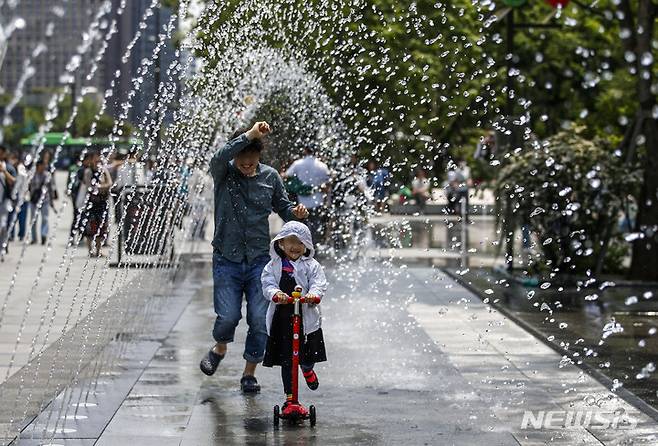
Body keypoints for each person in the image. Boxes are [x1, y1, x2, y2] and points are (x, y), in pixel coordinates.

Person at [199, 121, 309, 394]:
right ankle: (220, 347)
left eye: (252, 158)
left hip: (261, 259)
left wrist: (296, 214)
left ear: (259, 156)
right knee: (227, 316)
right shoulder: (224, 172)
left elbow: (283, 207)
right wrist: (249, 134)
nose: (247, 163)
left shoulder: (270, 177)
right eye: (243, 158)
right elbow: (218, 156)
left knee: (260, 320)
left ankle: (249, 373)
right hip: (226, 257)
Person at [261, 221, 327, 410]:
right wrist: (276, 294)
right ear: (280, 243)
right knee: (287, 360)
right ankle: (290, 399)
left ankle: (307, 370)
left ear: (306, 245)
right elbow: (267, 283)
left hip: (306, 317)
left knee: (307, 356)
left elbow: (318, 283)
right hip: (282, 317)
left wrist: (314, 295)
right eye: (290, 242)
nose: (295, 247)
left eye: (299, 242)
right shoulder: (273, 266)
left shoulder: (311, 265)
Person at [285, 146, 330, 244]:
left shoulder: (298, 164)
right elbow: (327, 184)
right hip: (318, 201)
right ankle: (314, 251)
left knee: (302, 228)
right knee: (316, 228)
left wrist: (297, 185)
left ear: (305, 151)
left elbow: (286, 175)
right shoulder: (322, 166)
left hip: (301, 202)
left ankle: (303, 250)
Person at [79, 151, 112, 256]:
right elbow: (89, 187)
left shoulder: (104, 170)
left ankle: (99, 250)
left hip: (102, 203)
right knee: (90, 228)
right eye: (95, 158)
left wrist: (100, 187)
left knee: (102, 227)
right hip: (92, 203)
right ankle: (90, 251)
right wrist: (102, 186)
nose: (97, 161)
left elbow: (110, 183)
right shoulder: (88, 171)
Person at [28, 160, 57, 245]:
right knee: (33, 220)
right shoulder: (32, 175)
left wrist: (52, 201)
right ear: (38, 166)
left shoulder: (47, 175)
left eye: (44, 165)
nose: (43, 167)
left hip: (45, 200)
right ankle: (34, 238)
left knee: (45, 219)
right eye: (42, 165)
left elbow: (51, 189)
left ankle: (43, 235)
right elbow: (28, 186)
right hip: (34, 201)